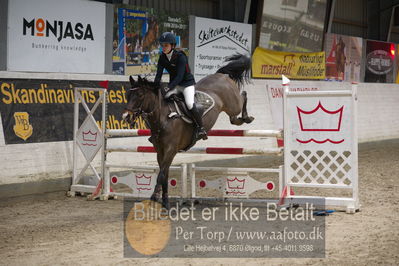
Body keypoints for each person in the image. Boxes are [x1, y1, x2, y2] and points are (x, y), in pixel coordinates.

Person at [154, 32, 207, 140]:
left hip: (187, 84)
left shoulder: (181, 57)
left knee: (189, 104)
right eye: (162, 45)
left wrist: (169, 87)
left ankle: (201, 128)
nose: (163, 48)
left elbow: (179, 76)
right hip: (175, 85)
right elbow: (158, 75)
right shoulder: (162, 58)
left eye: (166, 45)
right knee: (165, 98)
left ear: (172, 46)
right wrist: (154, 86)